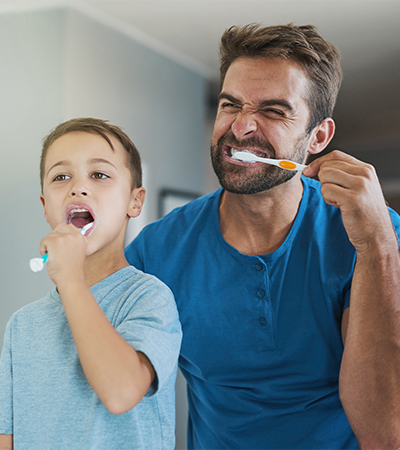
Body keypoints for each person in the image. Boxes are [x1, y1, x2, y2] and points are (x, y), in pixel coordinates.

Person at [125, 24, 400, 449]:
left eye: (273, 111)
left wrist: (377, 248)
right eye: (230, 104)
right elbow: (113, 392)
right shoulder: (155, 251)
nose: (242, 127)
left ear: (318, 138)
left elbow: (387, 433)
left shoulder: (379, 234)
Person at [0, 118, 182, 450]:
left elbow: (121, 392)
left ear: (135, 201)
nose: (78, 187)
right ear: (45, 207)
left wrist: (70, 278)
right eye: (61, 176)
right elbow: (7, 438)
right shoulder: (21, 326)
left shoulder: (149, 298)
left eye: (99, 175)